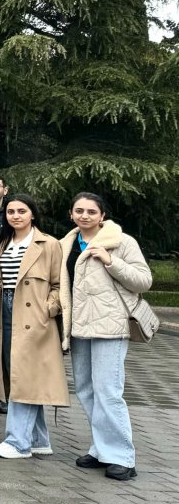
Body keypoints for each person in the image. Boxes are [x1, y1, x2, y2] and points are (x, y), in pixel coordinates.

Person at [61, 192, 151, 482]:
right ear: (71, 214)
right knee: (86, 391)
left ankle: (122, 457)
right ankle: (101, 449)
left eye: (91, 211)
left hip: (110, 327)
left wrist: (111, 261)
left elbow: (143, 280)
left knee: (108, 392)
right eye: (79, 211)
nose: (84, 215)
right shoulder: (66, 244)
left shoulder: (122, 241)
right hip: (78, 328)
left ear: (102, 215)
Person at [0, 195, 64, 460]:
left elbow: (59, 284)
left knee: (24, 376)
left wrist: (48, 308)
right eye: (10, 211)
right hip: (5, 312)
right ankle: (38, 440)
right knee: (16, 375)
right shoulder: (2, 243)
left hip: (34, 317)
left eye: (22, 211)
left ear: (32, 214)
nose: (16, 215)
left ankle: (18, 442)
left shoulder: (49, 244)